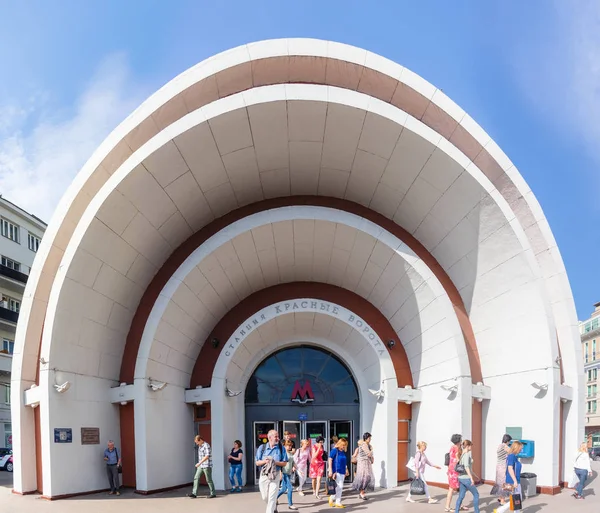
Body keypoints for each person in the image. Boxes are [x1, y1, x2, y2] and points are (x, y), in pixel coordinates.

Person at [256, 429, 288, 513]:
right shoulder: (262, 448)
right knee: (265, 497)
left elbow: (284, 463)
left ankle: (271, 509)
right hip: (264, 475)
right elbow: (257, 462)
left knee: (272, 497)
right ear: (269, 437)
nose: (278, 438)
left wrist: (275, 462)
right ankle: (273, 507)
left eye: (278, 436)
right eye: (276, 436)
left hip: (275, 475)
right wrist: (265, 461)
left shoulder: (281, 448)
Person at [494, 440, 523, 513]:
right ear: (516, 448)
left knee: (516, 500)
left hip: (514, 481)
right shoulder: (511, 456)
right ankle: (500, 510)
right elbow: (510, 468)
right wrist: (515, 481)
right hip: (513, 481)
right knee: (517, 499)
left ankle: (501, 510)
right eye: (520, 448)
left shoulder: (514, 456)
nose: (521, 450)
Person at [454, 440, 480, 513]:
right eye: (471, 445)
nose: (471, 447)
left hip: (461, 478)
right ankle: (477, 511)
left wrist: (475, 475)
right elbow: (466, 467)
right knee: (476, 495)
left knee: (461, 496)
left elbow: (467, 468)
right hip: (466, 479)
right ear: (468, 446)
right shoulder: (467, 454)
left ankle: (456, 511)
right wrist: (471, 478)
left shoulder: (461, 454)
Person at [188, 435, 216, 499]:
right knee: (196, 477)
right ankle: (194, 493)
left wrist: (199, 463)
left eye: (197, 442)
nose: (197, 444)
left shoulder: (206, 445)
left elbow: (207, 456)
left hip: (207, 465)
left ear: (200, 440)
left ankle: (213, 493)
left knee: (208, 479)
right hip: (201, 465)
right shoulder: (199, 447)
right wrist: (200, 464)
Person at [445, 434, 466, 512]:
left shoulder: (452, 447)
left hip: (451, 469)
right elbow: (457, 459)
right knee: (452, 488)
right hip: (455, 470)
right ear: (458, 441)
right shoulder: (457, 448)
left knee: (458, 488)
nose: (461, 441)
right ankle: (447, 506)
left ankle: (460, 504)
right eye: (460, 440)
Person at [351, 432, 375, 500]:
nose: (370, 439)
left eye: (370, 438)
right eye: (369, 438)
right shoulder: (364, 445)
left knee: (366, 477)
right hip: (363, 463)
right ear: (365, 438)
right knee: (365, 477)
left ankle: (362, 492)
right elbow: (369, 454)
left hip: (366, 462)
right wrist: (371, 453)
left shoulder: (368, 445)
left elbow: (370, 454)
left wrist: (371, 457)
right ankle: (362, 493)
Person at [328, 437, 350, 508]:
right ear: (339, 444)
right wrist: (331, 470)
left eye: (345, 445)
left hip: (342, 471)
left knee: (339, 487)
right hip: (336, 471)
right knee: (339, 486)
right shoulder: (335, 450)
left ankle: (333, 498)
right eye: (343, 445)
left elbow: (344, 462)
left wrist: (346, 469)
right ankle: (337, 501)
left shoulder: (342, 452)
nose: (344, 446)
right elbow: (330, 460)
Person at [490, 434, 512, 505]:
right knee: (504, 483)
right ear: (507, 440)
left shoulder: (500, 445)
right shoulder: (505, 446)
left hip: (498, 466)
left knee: (499, 482)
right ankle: (502, 500)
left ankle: (500, 498)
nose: (509, 443)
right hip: (503, 467)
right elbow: (512, 453)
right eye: (509, 441)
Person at [277, 440, 298, 510]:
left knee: (283, 489)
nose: (290, 447)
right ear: (284, 446)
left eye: (291, 445)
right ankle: (290, 504)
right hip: (284, 473)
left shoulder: (290, 453)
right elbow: (280, 464)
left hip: (289, 473)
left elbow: (293, 462)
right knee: (290, 488)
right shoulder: (283, 453)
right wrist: (280, 473)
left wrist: (296, 467)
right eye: (288, 445)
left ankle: (273, 499)